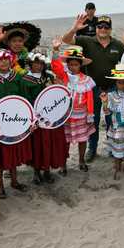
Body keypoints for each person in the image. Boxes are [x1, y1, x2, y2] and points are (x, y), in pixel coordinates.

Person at [62, 15, 124, 162]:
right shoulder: (86, 41)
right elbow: (66, 40)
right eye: (100, 26)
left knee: (112, 120)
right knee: (92, 120)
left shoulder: (118, 45)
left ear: (110, 29)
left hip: (112, 88)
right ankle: (92, 148)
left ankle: (112, 146)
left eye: (106, 27)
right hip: (91, 89)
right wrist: (74, 29)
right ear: (96, 28)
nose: (103, 29)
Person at [0, 49, 32, 198]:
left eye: (6, 59)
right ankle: (0, 185)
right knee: (0, 154)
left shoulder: (17, 78)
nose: (4, 62)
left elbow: (25, 98)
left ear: (11, 61)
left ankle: (15, 181)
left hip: (14, 122)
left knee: (13, 152)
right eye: (0, 59)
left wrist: (27, 118)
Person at [22, 51, 68, 183]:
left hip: (51, 117)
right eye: (36, 63)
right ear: (30, 63)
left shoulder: (48, 76)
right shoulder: (25, 80)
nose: (39, 66)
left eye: (42, 63)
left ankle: (47, 170)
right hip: (36, 119)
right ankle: (36, 171)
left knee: (50, 144)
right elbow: (25, 100)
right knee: (37, 145)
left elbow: (57, 93)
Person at [50, 42, 96, 174]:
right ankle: (63, 164)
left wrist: (90, 113)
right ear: (67, 65)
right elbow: (56, 66)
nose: (73, 67)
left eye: (76, 64)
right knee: (65, 140)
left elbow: (90, 99)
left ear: (80, 65)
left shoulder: (87, 80)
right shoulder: (64, 77)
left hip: (81, 114)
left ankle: (81, 160)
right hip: (66, 115)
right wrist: (55, 50)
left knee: (83, 139)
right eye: (70, 64)